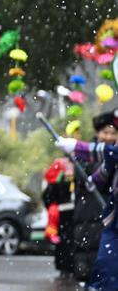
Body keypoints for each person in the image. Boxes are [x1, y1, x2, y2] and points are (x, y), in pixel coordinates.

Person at [56, 132, 117, 291]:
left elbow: (112, 153)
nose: (109, 136)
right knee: (104, 270)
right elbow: (110, 162)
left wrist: (77, 147)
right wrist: (94, 180)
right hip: (112, 219)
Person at [71, 110, 118, 282]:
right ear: (97, 133)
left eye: (113, 133)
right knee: (88, 262)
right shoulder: (85, 155)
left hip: (108, 216)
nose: (109, 137)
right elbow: (85, 179)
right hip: (88, 215)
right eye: (105, 132)